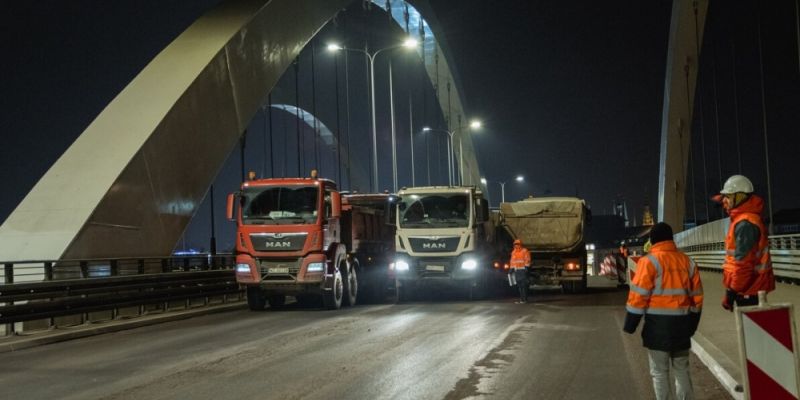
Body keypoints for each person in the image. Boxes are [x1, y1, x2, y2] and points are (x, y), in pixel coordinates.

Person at [623, 222, 703, 400]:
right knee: (682, 370)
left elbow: (638, 297)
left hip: (657, 328)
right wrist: (692, 325)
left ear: (652, 241)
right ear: (671, 239)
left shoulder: (648, 262)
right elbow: (697, 298)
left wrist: (630, 324)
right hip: (682, 326)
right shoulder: (687, 262)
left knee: (659, 373)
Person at [713, 174, 775, 310]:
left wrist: (732, 292)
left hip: (749, 289)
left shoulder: (745, 224)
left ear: (739, 197)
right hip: (750, 287)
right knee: (755, 329)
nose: (724, 201)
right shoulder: (744, 220)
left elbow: (744, 264)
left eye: (728, 197)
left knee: (753, 329)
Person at [509, 239, 531, 303]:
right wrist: (511, 269)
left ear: (520, 244)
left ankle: (524, 299)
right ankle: (522, 299)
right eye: (515, 244)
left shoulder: (524, 251)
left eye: (517, 244)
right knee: (519, 286)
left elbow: (527, 259)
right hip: (517, 271)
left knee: (523, 285)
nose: (516, 245)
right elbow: (512, 262)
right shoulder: (513, 252)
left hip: (523, 270)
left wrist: (526, 267)